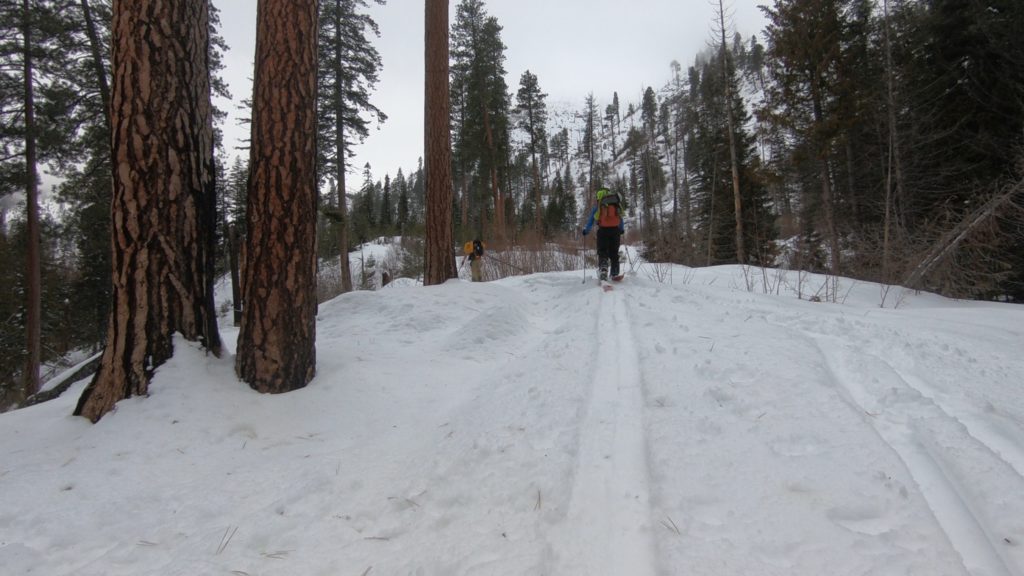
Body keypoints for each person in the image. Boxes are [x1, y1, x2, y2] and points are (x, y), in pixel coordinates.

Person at [581, 187, 624, 281]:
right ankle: (615, 273)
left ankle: (603, 269)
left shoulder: (598, 207)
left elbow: (591, 220)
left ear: (599, 197)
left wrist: (586, 231)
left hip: (603, 231)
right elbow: (620, 218)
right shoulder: (616, 205)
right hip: (615, 231)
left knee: (603, 251)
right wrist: (621, 229)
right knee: (614, 252)